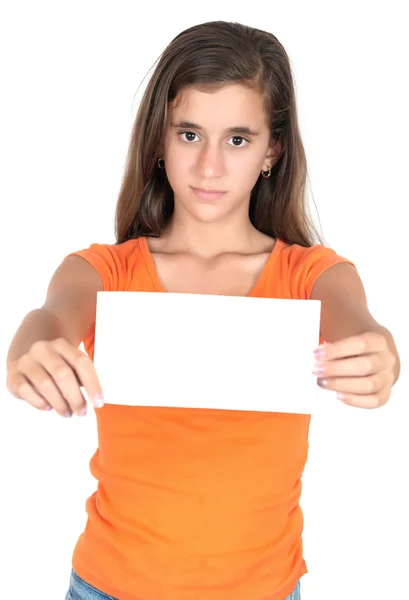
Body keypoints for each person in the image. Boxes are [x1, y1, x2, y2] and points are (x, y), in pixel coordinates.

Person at [6, 20, 400, 600]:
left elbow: (359, 324)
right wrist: (29, 347)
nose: (209, 167)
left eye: (237, 140)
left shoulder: (311, 276)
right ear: (159, 141)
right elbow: (54, 314)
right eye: (189, 135)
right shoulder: (106, 271)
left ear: (273, 151)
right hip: (107, 587)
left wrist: (380, 352)